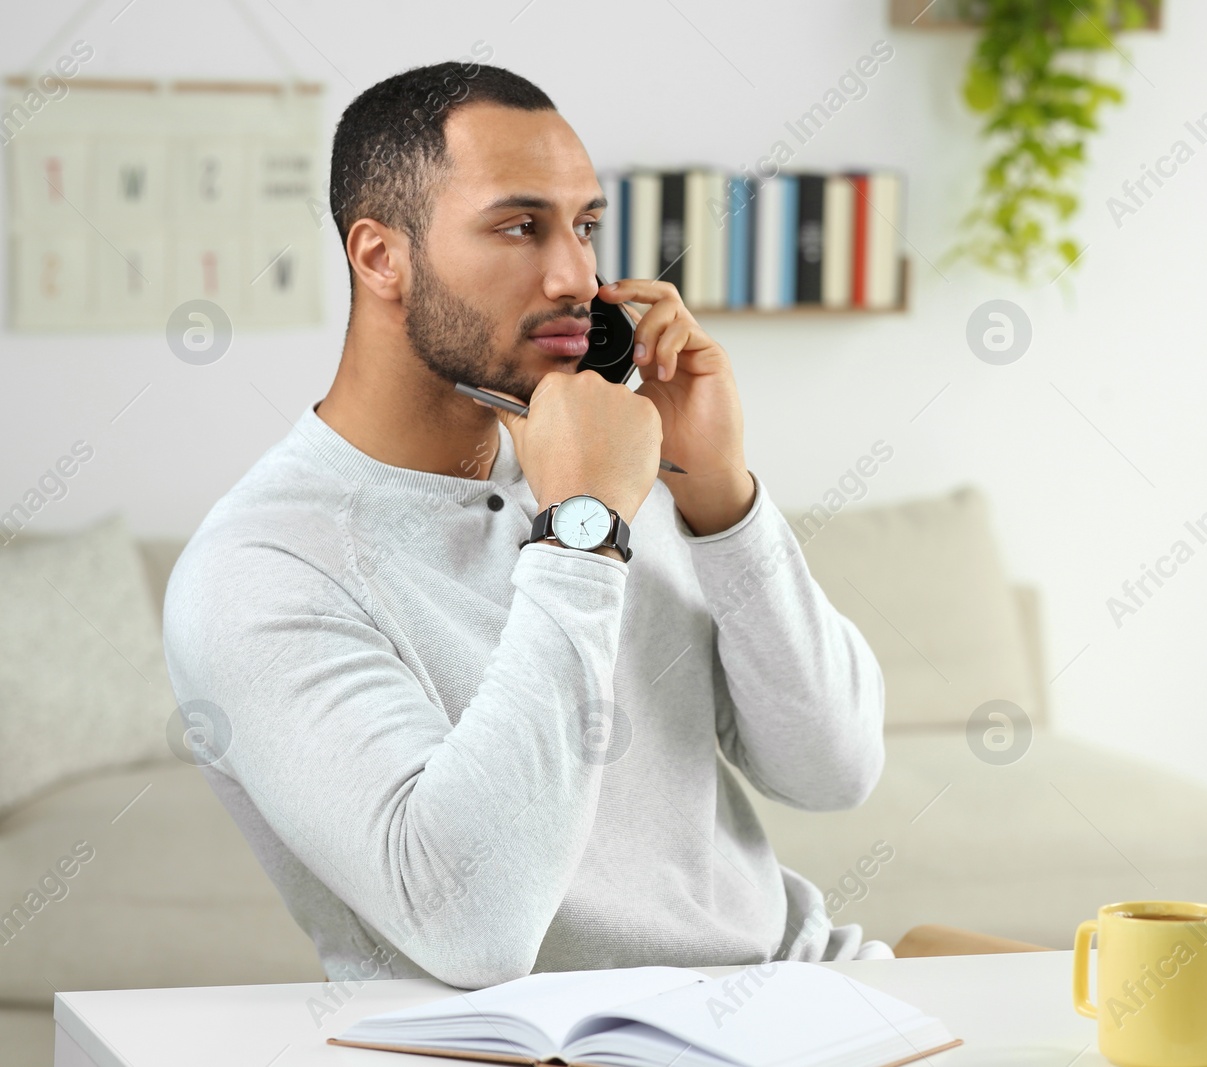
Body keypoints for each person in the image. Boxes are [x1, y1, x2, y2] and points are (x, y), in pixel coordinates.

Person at [162, 61, 889, 990]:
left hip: (804, 991)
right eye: (519, 226)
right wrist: (582, 529)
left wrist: (720, 496)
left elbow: (834, 770)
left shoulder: (616, 456)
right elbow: (475, 926)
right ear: (380, 256)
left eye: (586, 226)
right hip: (542, 1042)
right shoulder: (260, 569)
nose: (576, 276)